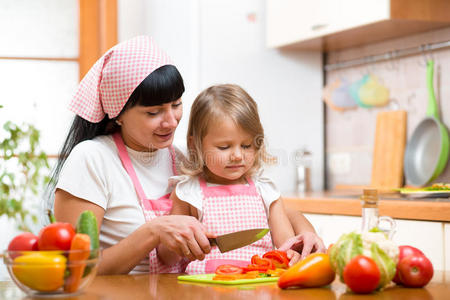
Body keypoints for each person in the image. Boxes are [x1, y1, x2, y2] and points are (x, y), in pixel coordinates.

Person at [49, 36, 323, 276]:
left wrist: (304, 234)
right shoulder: (92, 159)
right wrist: (153, 232)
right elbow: (75, 267)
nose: (171, 121)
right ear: (118, 113)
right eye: (153, 112)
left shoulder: (186, 155)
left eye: (176, 105)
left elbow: (264, 206)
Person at [157, 84, 325, 274]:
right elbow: (167, 257)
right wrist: (179, 241)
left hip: (260, 283)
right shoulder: (188, 193)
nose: (237, 155)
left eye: (246, 145)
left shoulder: (266, 191)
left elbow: (286, 246)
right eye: (224, 147)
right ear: (194, 145)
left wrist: (293, 255)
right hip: (205, 287)